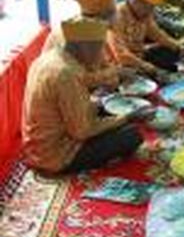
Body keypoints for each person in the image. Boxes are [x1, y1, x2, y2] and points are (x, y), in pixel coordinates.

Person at [22, 18, 146, 175]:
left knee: (109, 109)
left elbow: (81, 91)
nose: (100, 52)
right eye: (98, 46)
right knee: (132, 135)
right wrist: (128, 117)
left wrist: (100, 104)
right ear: (83, 46)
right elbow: (82, 131)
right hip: (56, 155)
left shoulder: (50, 57)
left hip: (38, 147)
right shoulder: (66, 74)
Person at [42, 0, 132, 89]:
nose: (115, 19)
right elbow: (80, 77)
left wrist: (115, 73)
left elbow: (101, 62)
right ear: (99, 19)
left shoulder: (92, 31)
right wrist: (113, 73)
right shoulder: (75, 35)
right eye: (111, 16)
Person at [111, 0, 184, 77]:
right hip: (122, 63)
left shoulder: (144, 15)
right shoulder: (117, 16)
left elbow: (158, 35)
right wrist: (144, 65)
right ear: (138, 1)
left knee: (172, 51)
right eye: (150, 7)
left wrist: (179, 48)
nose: (151, 11)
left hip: (140, 55)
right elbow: (120, 54)